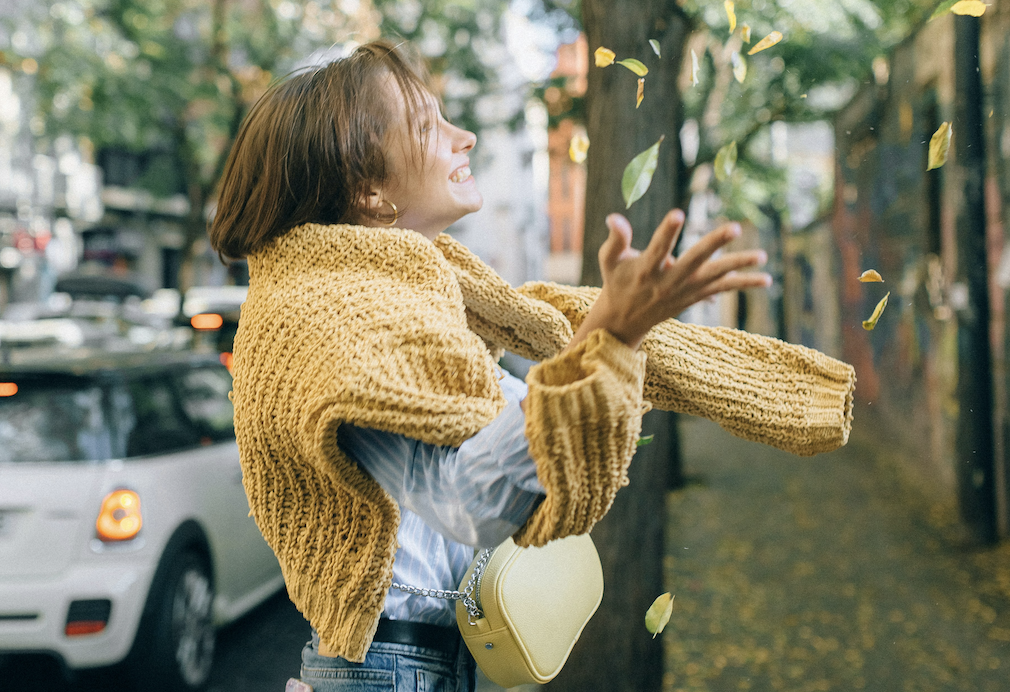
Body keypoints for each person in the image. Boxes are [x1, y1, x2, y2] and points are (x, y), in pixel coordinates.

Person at [209, 40, 853, 692]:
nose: (465, 137)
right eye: (430, 127)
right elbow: (473, 499)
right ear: (369, 189)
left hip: (412, 667)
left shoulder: (389, 302)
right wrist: (611, 334)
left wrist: (611, 344)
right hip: (389, 673)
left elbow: (517, 415)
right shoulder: (339, 321)